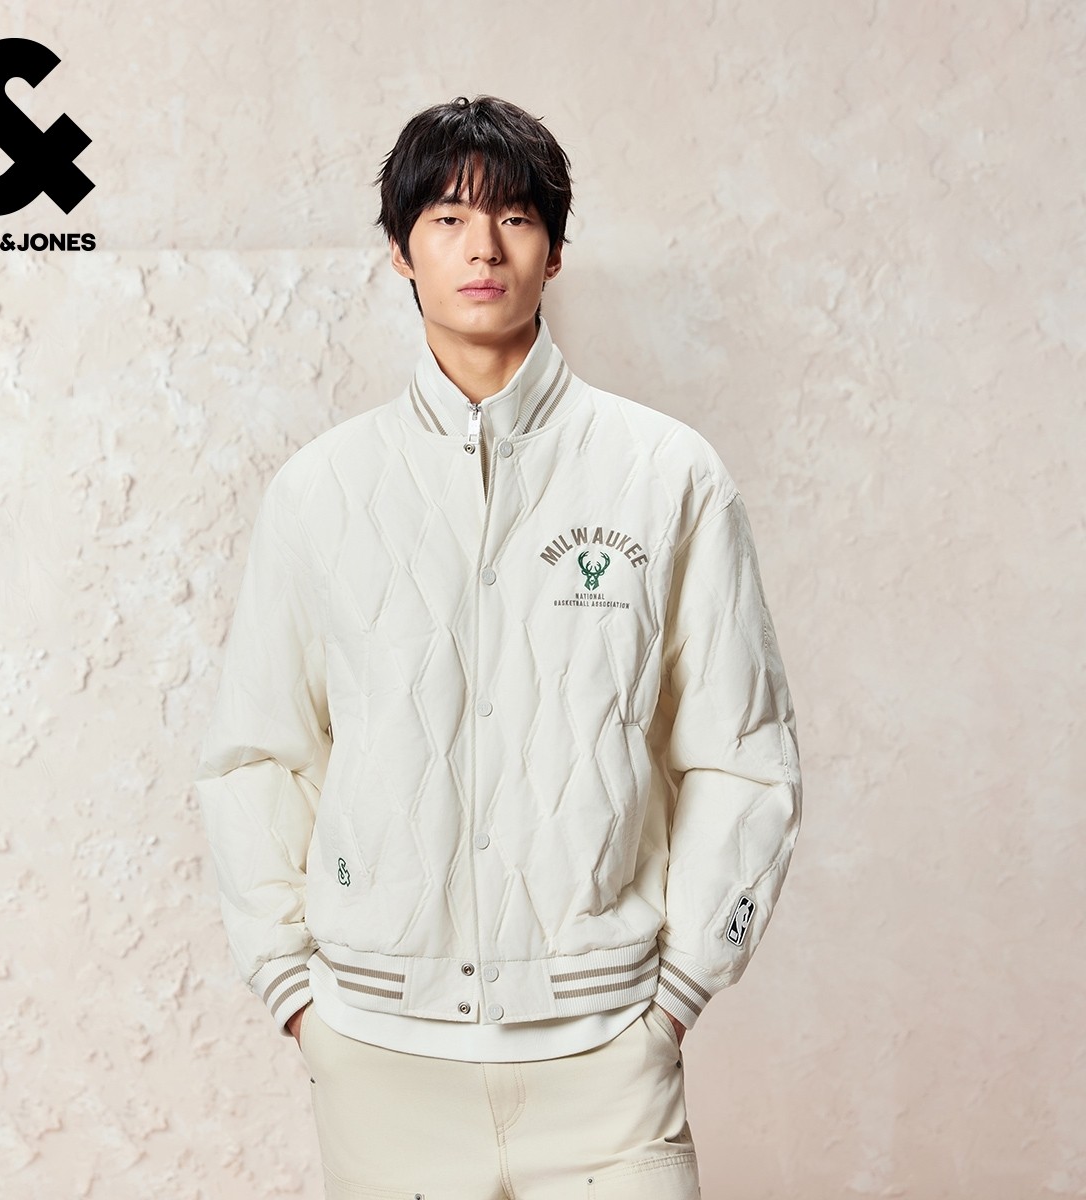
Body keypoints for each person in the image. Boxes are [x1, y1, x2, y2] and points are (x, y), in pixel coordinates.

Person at [194, 94, 802, 1200]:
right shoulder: (321, 492)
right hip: (381, 1060)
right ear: (400, 251)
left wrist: (679, 993)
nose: (482, 248)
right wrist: (293, 992)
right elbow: (258, 758)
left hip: (604, 1057)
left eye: (514, 217)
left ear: (554, 251)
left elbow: (741, 752)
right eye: (446, 219)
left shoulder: (668, 475)